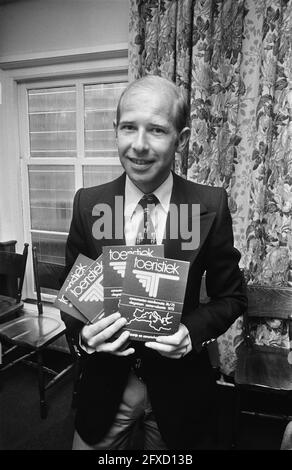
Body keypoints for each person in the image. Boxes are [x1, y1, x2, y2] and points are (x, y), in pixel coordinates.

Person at [61, 74, 247, 450]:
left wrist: (191, 333)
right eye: (129, 127)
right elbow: (73, 298)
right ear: (115, 130)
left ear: (181, 138)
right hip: (105, 390)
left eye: (157, 130)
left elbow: (233, 298)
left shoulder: (208, 206)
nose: (139, 146)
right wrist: (84, 337)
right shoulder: (88, 204)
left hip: (180, 393)